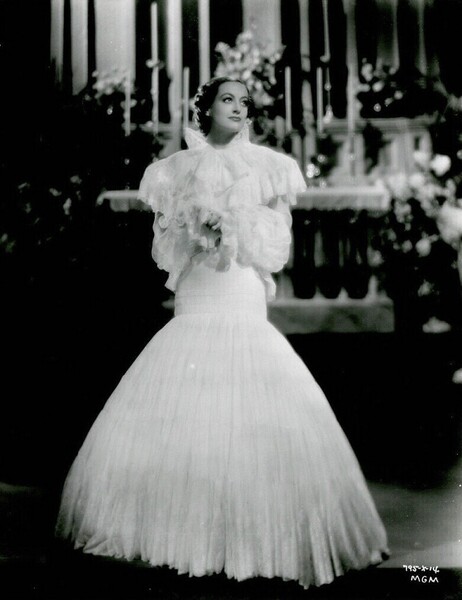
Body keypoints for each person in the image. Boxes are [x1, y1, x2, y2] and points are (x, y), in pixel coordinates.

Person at [55, 76, 389, 590]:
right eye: (228, 99)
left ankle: (256, 540)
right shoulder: (173, 171)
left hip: (240, 284)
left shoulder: (270, 167)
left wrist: (234, 227)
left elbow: (277, 246)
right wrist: (195, 228)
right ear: (205, 107)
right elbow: (165, 250)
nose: (238, 108)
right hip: (199, 288)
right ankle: (184, 534)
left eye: (244, 102)